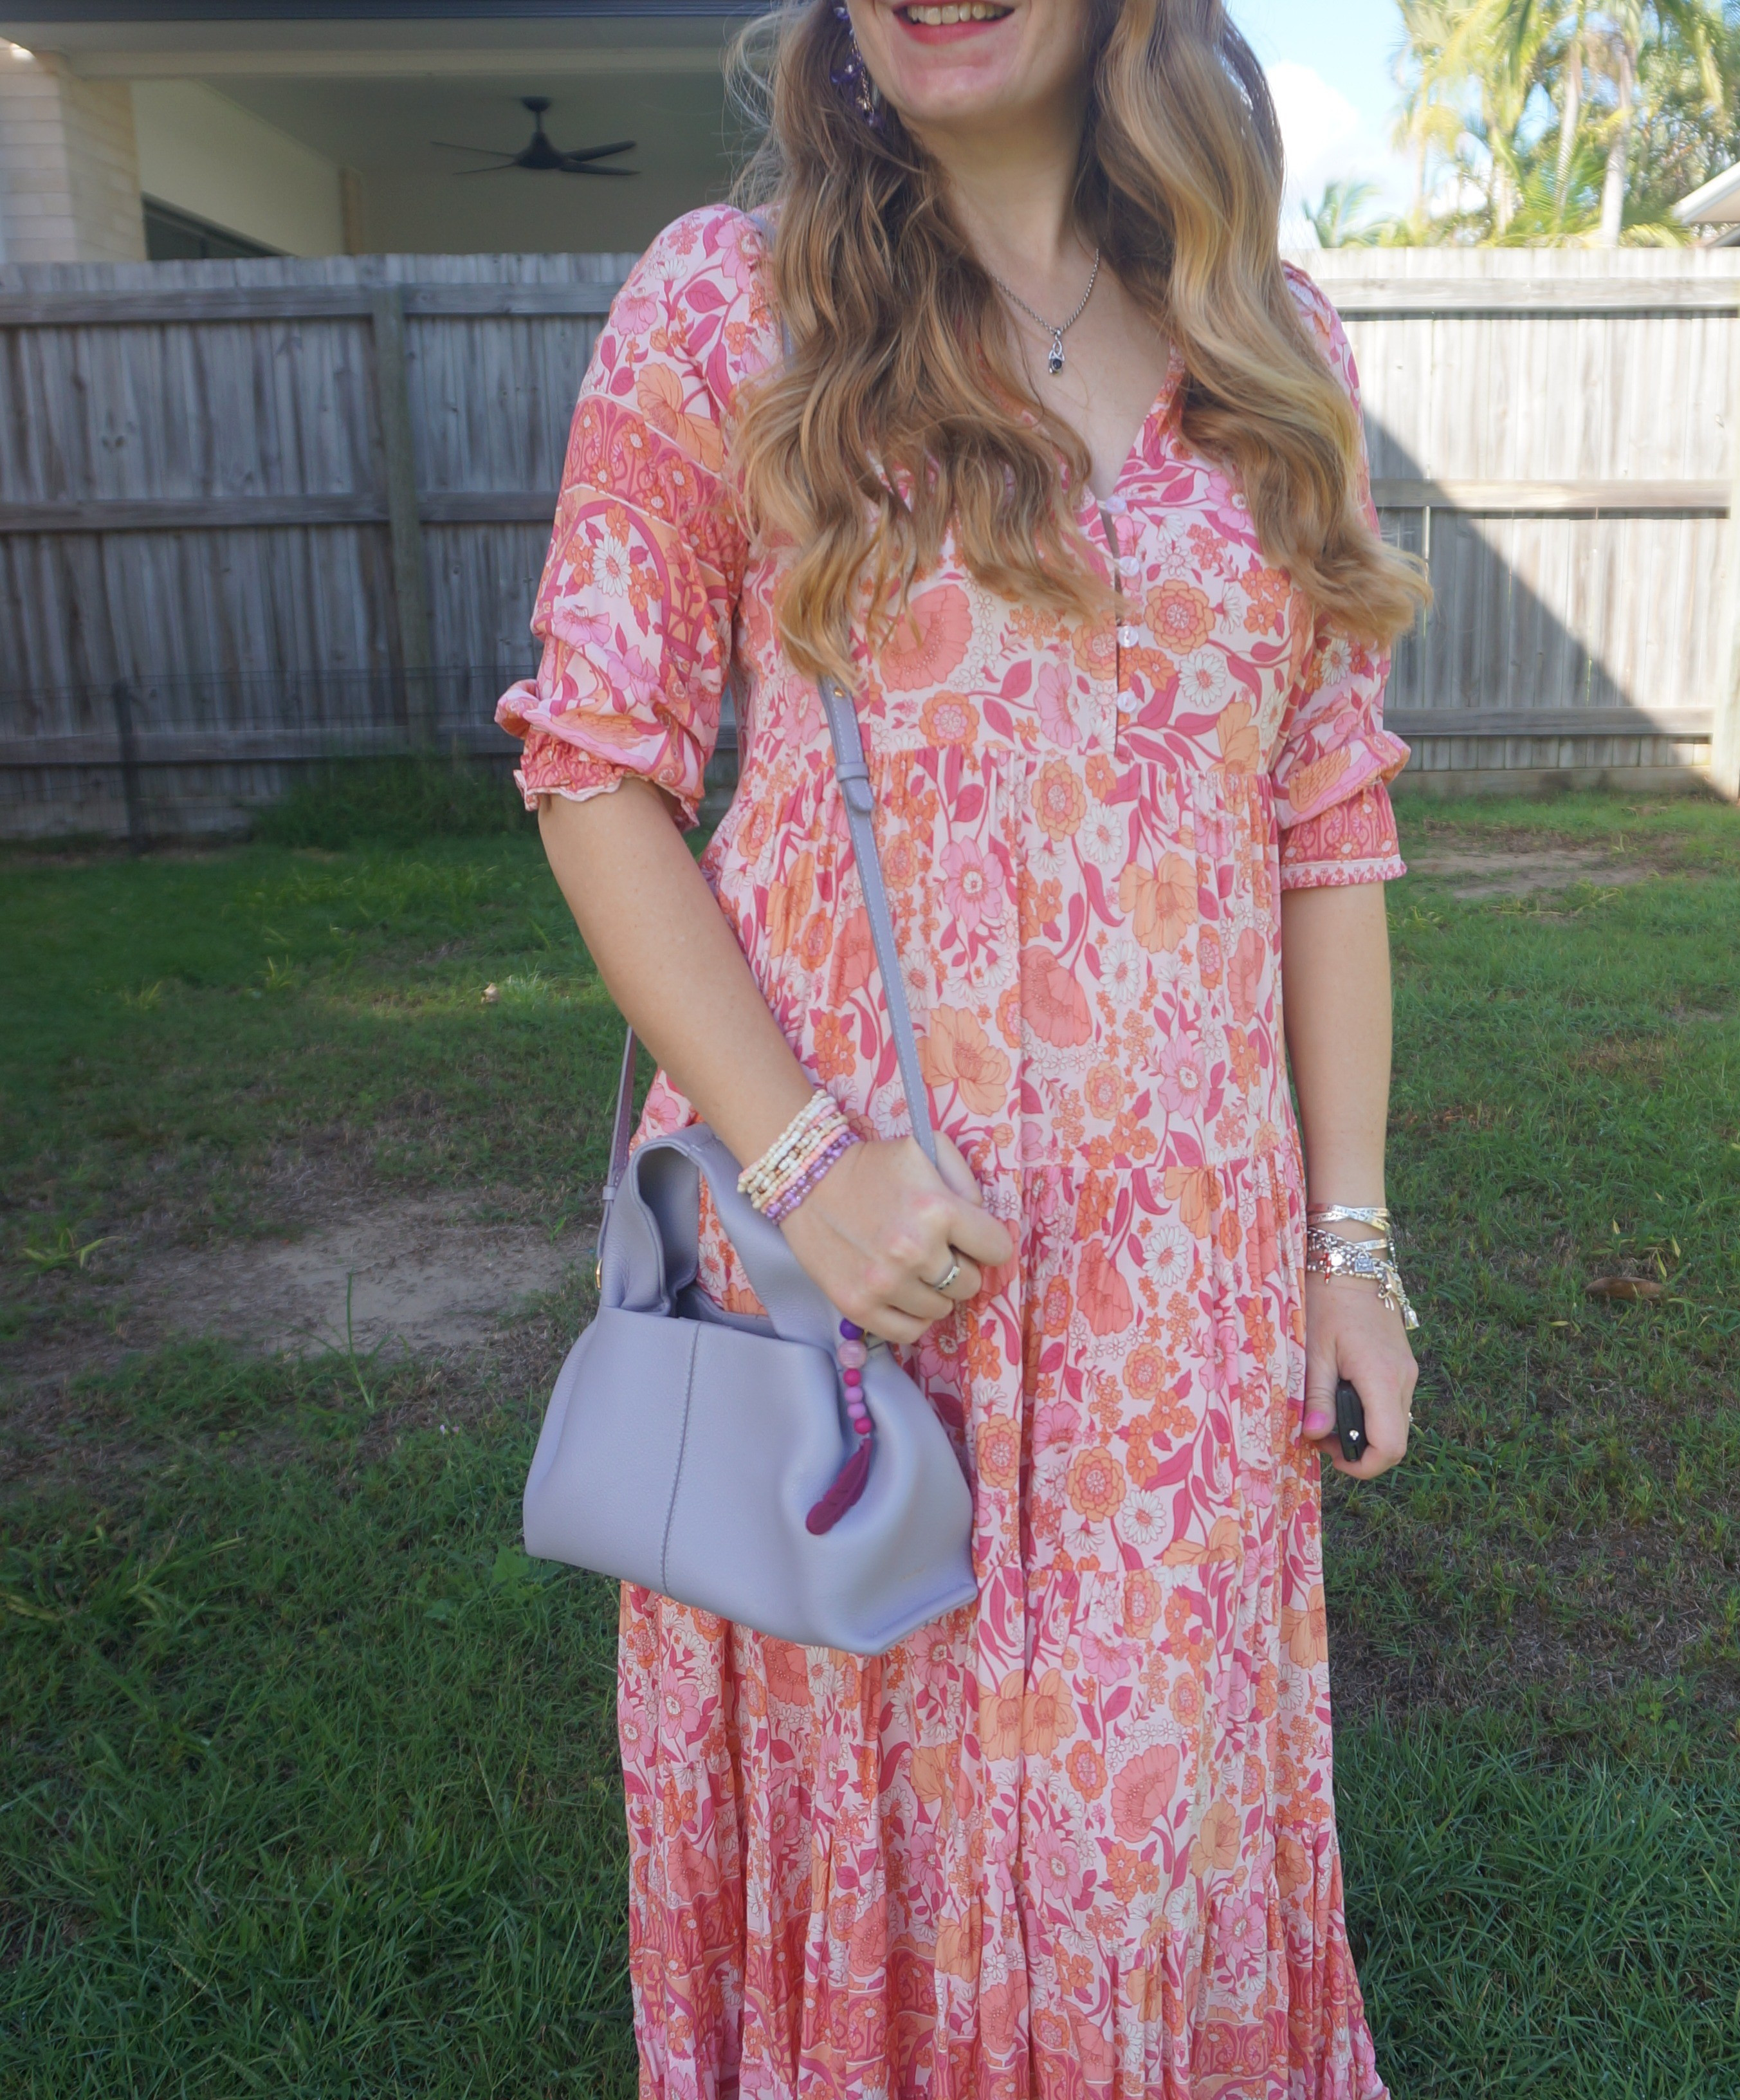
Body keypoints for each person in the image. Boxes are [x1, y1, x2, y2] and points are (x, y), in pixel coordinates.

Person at [497, 1, 1427, 2090]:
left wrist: (1346, 1248)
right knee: (874, 1828)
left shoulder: (1273, 341)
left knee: (1134, 1837)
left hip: (1167, 1313)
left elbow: (1327, 820)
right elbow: (595, 770)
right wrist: (807, 1170)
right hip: (838, 1278)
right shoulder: (723, 310)